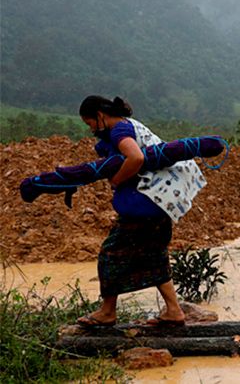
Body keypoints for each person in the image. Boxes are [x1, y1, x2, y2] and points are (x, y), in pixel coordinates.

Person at [76, 95, 206, 327]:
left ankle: (107, 312)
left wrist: (116, 179)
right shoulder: (130, 124)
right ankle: (174, 311)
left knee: (110, 254)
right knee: (154, 254)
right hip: (162, 204)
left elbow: (135, 157)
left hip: (146, 203)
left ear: (100, 115)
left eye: (90, 123)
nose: (91, 129)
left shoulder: (118, 130)